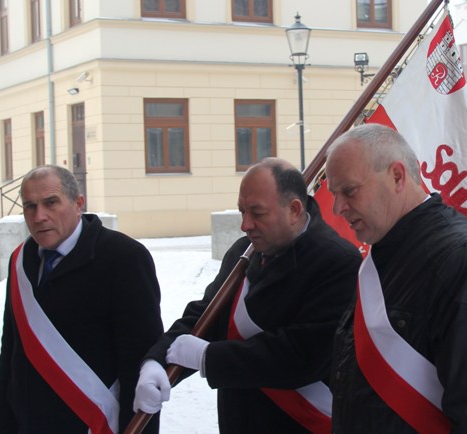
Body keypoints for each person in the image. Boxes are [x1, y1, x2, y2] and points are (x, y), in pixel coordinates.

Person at [133, 157, 362, 433]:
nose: (245, 224)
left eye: (257, 213)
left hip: (300, 424)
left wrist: (210, 357)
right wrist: (157, 360)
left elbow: (304, 355)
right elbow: (207, 314)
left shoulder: (338, 262)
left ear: (293, 209)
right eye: (242, 211)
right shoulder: (244, 250)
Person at [325, 124, 467, 433]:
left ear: (396, 176)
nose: (338, 208)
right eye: (334, 194)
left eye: (349, 191)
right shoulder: (383, 254)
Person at [0, 165, 164, 434]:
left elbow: (139, 366)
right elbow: (11, 354)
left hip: (93, 424)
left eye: (50, 203)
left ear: (78, 203)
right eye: (30, 207)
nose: (39, 216)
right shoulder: (20, 261)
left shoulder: (124, 258)